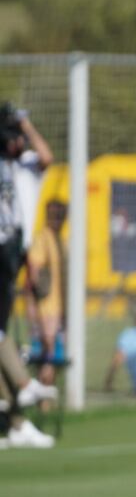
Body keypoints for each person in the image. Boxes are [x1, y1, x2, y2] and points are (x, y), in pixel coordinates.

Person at [0, 101, 51, 337]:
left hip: (24, 245)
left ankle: (39, 348)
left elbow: (47, 157)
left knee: (34, 296)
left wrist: (25, 125)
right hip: (5, 242)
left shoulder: (29, 162)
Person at [25, 199, 67, 389]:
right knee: (47, 354)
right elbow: (33, 273)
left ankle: (46, 395)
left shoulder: (60, 240)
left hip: (59, 308)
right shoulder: (42, 238)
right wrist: (33, 306)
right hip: (46, 307)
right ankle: (43, 398)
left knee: (56, 355)